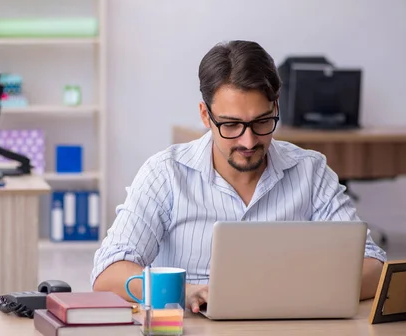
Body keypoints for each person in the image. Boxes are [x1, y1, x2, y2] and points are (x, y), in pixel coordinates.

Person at [91, 40, 386, 313]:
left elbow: (373, 264)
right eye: (231, 125)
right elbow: (108, 273)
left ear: (276, 107)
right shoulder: (165, 174)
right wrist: (184, 291)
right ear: (206, 116)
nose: (248, 142)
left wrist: (293, 292)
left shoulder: (310, 171)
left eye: (262, 122)